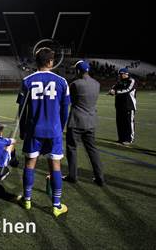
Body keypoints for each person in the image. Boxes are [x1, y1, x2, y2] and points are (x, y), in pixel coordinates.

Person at [16, 46, 70, 217]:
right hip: (53, 130)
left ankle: (27, 200)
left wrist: (23, 130)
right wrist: (59, 128)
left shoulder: (27, 81)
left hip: (34, 130)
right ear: (50, 62)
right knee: (55, 166)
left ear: (37, 61)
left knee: (30, 164)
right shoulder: (62, 81)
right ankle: (56, 205)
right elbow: (64, 109)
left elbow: (22, 110)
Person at [64, 60, 105, 186]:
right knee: (92, 149)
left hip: (76, 121)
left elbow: (69, 101)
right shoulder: (97, 84)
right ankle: (100, 178)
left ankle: (73, 176)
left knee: (72, 149)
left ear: (77, 70)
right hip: (91, 121)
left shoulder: (75, 84)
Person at [109, 67, 137, 145]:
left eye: (121, 74)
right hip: (119, 106)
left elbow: (128, 90)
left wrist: (116, 92)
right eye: (119, 74)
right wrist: (111, 91)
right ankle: (121, 138)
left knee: (128, 123)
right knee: (120, 123)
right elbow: (113, 88)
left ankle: (129, 139)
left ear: (126, 74)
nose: (120, 76)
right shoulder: (119, 81)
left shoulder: (131, 81)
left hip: (129, 106)